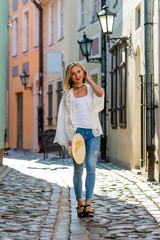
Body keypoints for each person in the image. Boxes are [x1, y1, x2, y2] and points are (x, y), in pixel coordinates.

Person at [54, 62, 104, 218]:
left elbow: (100, 93)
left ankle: (88, 204)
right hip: (78, 135)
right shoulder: (67, 95)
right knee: (78, 169)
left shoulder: (90, 89)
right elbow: (65, 118)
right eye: (73, 73)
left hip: (93, 132)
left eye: (79, 71)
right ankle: (80, 203)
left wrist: (89, 80)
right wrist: (70, 138)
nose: (77, 75)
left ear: (83, 72)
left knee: (91, 166)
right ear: (70, 77)